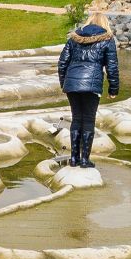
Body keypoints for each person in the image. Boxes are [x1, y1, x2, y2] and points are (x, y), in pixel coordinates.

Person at [55, 11, 120, 168]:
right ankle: (85, 160)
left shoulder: (74, 38)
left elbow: (62, 63)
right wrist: (113, 89)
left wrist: (65, 83)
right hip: (92, 85)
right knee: (89, 120)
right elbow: (112, 67)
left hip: (72, 84)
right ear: (104, 23)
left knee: (76, 118)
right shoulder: (107, 39)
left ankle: (73, 159)